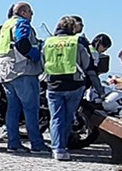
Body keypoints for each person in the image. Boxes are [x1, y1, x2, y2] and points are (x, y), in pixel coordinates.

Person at [43, 16, 104, 161]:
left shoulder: (48, 42)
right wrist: (99, 89)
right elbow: (87, 64)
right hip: (74, 85)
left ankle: (57, 148)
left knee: (56, 117)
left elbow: (42, 61)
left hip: (53, 84)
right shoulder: (77, 42)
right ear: (72, 28)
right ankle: (63, 147)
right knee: (68, 117)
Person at [0, 1, 49, 154]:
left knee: (13, 109)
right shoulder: (22, 23)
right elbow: (22, 43)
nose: (32, 16)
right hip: (23, 70)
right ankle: (37, 144)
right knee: (31, 108)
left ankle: (13, 143)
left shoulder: (6, 25)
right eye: (31, 12)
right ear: (24, 12)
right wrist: (35, 56)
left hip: (5, 71)